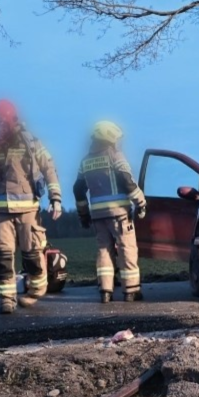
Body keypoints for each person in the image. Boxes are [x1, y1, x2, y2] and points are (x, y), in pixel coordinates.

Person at [0, 99, 62, 313]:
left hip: (28, 210)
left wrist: (55, 198)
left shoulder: (30, 142)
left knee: (32, 256)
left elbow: (49, 169)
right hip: (1, 212)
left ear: (9, 120)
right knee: (2, 257)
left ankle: (36, 290)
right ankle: (6, 299)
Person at [73, 121, 147, 303]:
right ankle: (131, 290)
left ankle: (105, 291)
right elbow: (127, 180)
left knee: (103, 251)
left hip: (98, 216)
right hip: (119, 214)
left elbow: (78, 189)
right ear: (110, 139)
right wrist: (141, 203)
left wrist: (83, 215)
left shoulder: (85, 161)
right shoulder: (116, 156)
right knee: (126, 249)